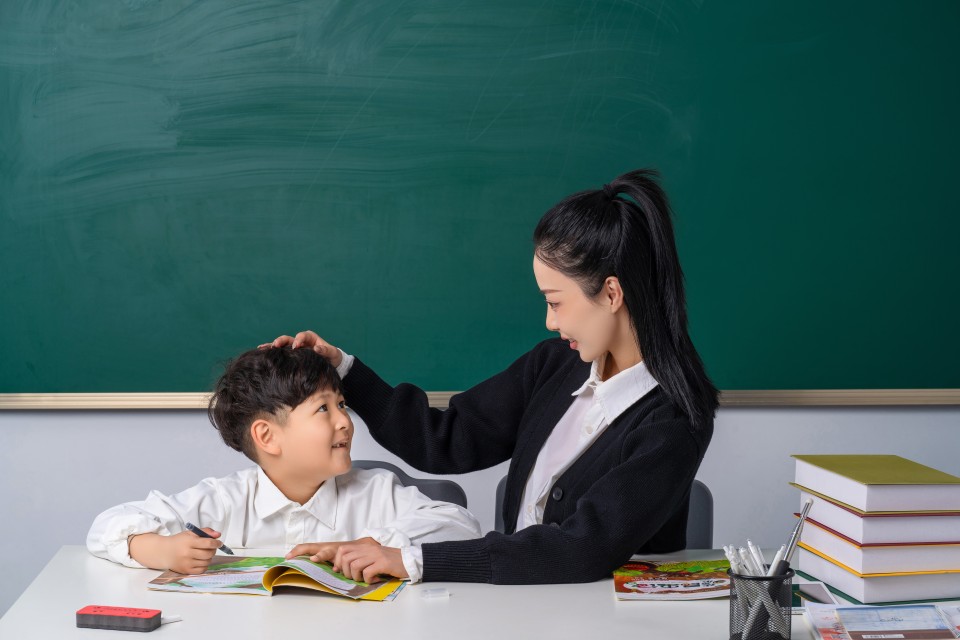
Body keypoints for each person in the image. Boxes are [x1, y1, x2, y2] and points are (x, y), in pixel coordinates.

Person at [266, 169, 719, 584]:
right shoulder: (554, 365)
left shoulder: (676, 419)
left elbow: (583, 548)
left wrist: (412, 559)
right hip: (516, 608)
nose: (550, 321)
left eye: (555, 302)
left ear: (612, 293)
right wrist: (343, 369)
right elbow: (444, 438)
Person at [86, 347, 481, 584]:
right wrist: (159, 549)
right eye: (323, 409)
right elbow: (105, 527)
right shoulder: (226, 499)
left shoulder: (376, 491)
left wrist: (377, 543)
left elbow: (462, 524)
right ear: (267, 436)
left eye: (342, 404)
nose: (345, 421)